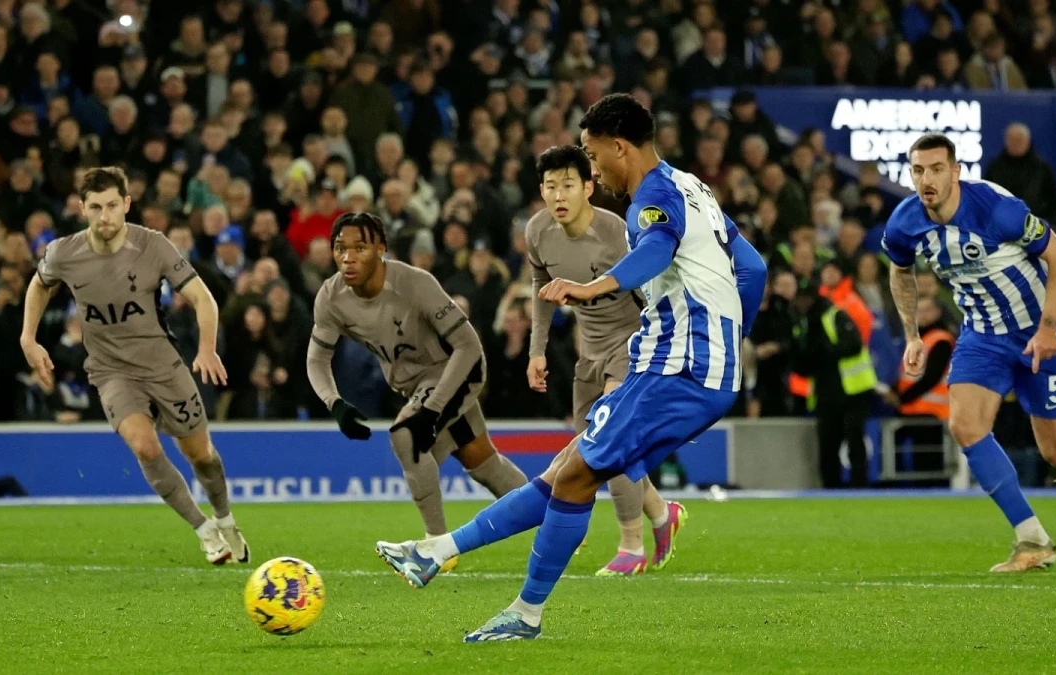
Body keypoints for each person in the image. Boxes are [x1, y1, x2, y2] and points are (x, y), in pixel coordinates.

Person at [376, 94, 768, 642]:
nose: (591, 167)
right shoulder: (692, 187)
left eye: (591, 153)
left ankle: (525, 612)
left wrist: (592, 286)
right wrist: (731, 340)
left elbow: (655, 251)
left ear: (619, 146)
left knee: (578, 475)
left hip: (678, 366)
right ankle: (437, 552)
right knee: (568, 470)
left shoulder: (651, 198)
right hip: (687, 366)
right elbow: (753, 266)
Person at [882, 134, 1056, 573]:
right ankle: (1032, 540)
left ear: (955, 171)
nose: (926, 179)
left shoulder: (997, 209)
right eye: (917, 170)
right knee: (965, 425)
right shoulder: (904, 223)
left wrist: (1048, 329)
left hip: (1039, 334)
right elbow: (900, 271)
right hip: (983, 335)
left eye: (935, 169)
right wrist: (912, 335)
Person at [19, 167, 249, 566]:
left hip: (163, 365)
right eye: (95, 207)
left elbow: (203, 298)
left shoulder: (153, 246)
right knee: (145, 446)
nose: (104, 216)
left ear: (126, 204)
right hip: (110, 371)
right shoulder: (64, 253)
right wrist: (28, 337)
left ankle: (226, 519)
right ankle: (204, 530)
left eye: (112, 206)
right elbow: (40, 284)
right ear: (82, 208)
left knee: (202, 455)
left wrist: (207, 349)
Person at [305, 211, 527, 574]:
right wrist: (335, 404)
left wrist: (431, 409)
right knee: (482, 462)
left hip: (459, 370)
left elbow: (469, 347)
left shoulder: (415, 283)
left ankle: (436, 549)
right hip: (415, 386)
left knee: (406, 436)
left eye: (359, 247)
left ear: (381, 248)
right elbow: (316, 358)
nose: (348, 257)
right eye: (340, 248)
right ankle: (558, 517)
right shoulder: (331, 297)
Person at [525, 145, 686, 577]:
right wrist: (537, 350)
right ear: (541, 191)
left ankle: (630, 545)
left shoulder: (618, 232)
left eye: (568, 185)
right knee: (594, 454)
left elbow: (654, 292)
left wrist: (662, 353)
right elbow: (541, 286)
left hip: (633, 344)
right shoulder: (538, 231)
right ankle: (660, 511)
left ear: (589, 188)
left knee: (608, 436)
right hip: (588, 351)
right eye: (551, 186)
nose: (559, 195)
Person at [791, 282, 875, 488]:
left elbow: (853, 345)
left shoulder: (835, 316)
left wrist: (825, 351)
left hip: (853, 390)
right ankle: (831, 489)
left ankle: (859, 487)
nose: (802, 303)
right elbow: (802, 362)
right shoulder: (802, 323)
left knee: (854, 439)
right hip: (826, 392)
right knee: (828, 444)